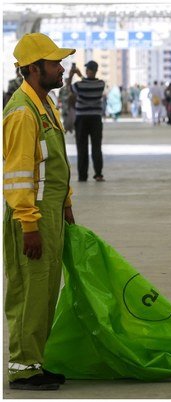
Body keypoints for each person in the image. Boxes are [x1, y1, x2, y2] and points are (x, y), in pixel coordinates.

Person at [3, 32, 76, 391]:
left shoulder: (44, 105)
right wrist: (29, 224)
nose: (61, 69)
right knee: (29, 292)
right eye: (54, 63)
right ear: (33, 69)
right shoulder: (21, 112)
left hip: (48, 215)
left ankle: (36, 362)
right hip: (30, 217)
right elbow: (17, 174)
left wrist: (66, 204)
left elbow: (53, 164)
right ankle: (22, 368)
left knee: (46, 290)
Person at [70, 60, 105, 182]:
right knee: (96, 147)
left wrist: (72, 75)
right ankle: (98, 174)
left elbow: (71, 88)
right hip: (96, 119)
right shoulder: (101, 84)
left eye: (87, 70)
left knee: (82, 148)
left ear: (89, 71)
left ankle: (82, 176)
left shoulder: (79, 85)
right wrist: (81, 76)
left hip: (82, 119)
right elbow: (88, 83)